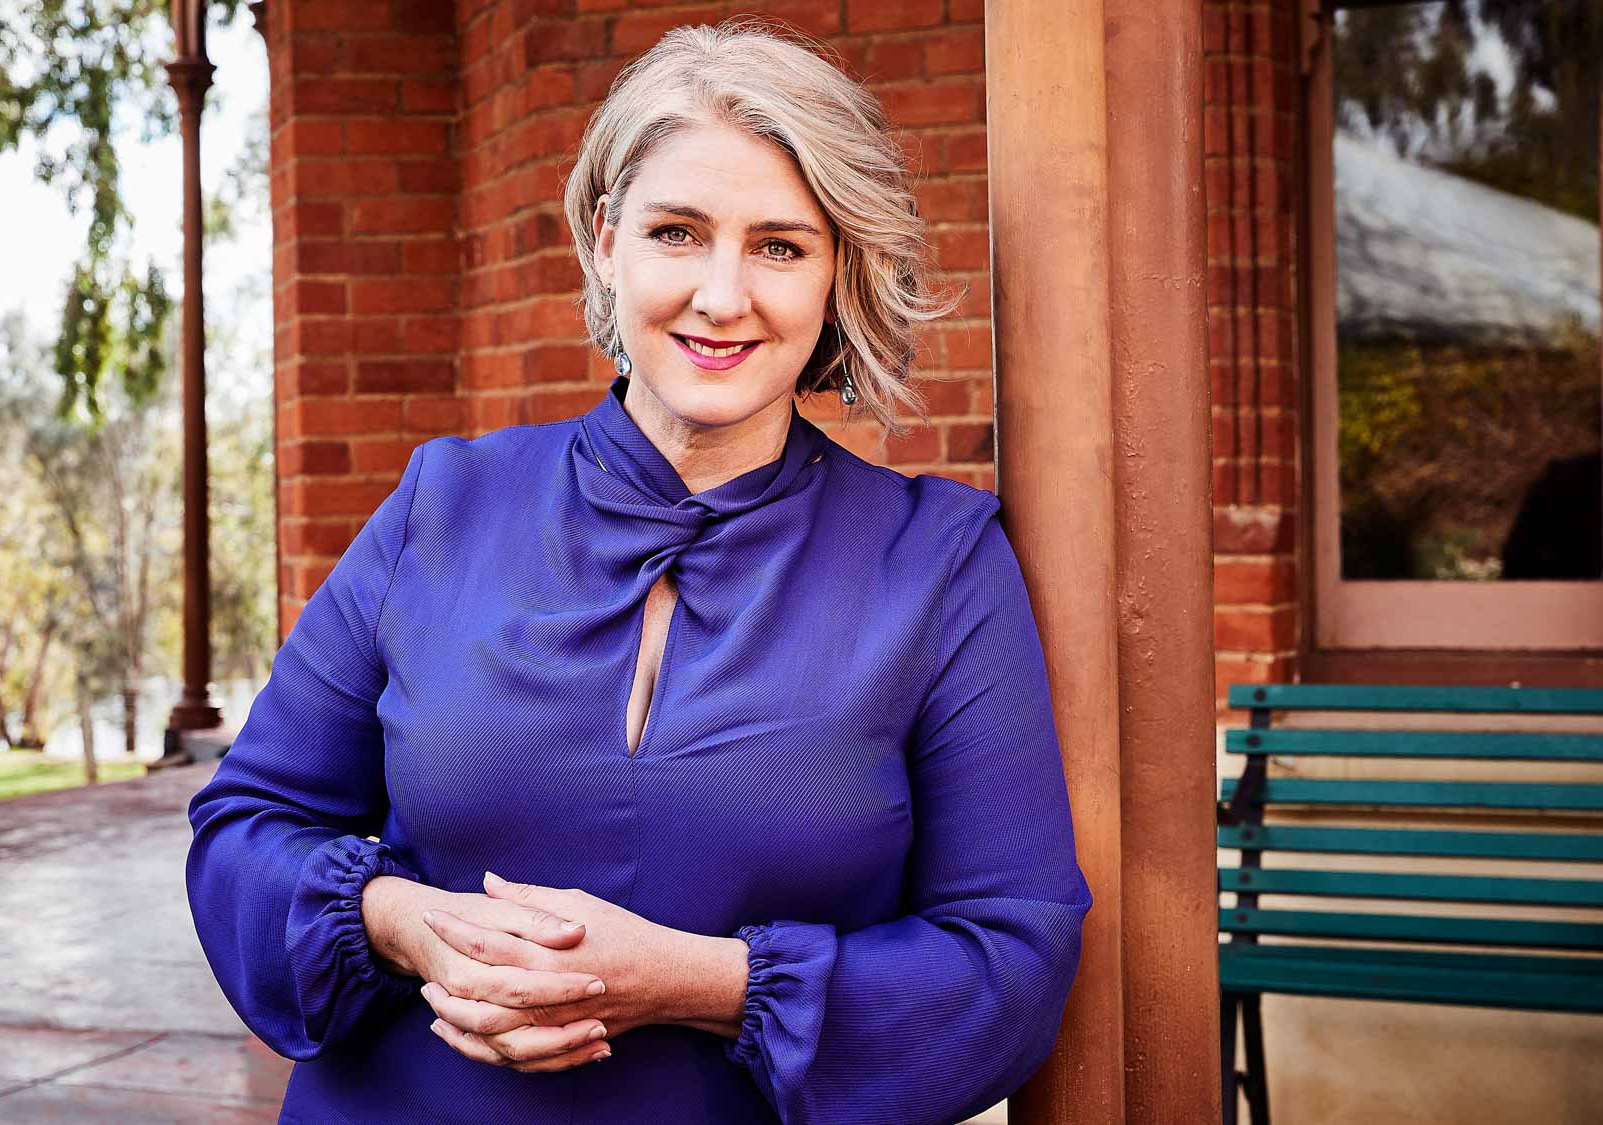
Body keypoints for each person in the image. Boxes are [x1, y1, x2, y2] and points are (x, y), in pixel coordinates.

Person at [185, 18, 1091, 1125]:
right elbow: (247, 828)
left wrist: (699, 983)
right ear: (606, 241)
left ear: (836, 272)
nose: (721, 296)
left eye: (778, 245)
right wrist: (399, 920)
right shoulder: (443, 504)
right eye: (677, 232)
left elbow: (1009, 956)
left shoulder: (940, 565)